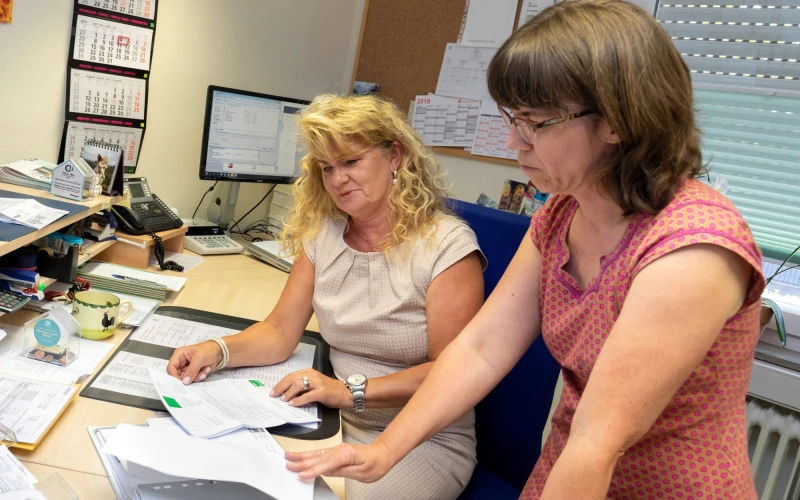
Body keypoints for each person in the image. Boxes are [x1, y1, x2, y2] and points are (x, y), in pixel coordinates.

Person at [285, 1, 765, 499]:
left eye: (535, 122)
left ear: (617, 121)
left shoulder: (694, 248)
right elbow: (479, 349)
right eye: (512, 118)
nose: (514, 140)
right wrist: (384, 452)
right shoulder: (559, 215)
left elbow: (600, 442)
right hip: (565, 467)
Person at [166, 94, 486, 500]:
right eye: (327, 168)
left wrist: (348, 390)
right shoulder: (325, 235)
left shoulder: (446, 248)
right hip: (331, 416)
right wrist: (218, 349)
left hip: (422, 435)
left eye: (351, 162)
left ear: (395, 157)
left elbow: (452, 373)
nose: (337, 180)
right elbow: (281, 330)